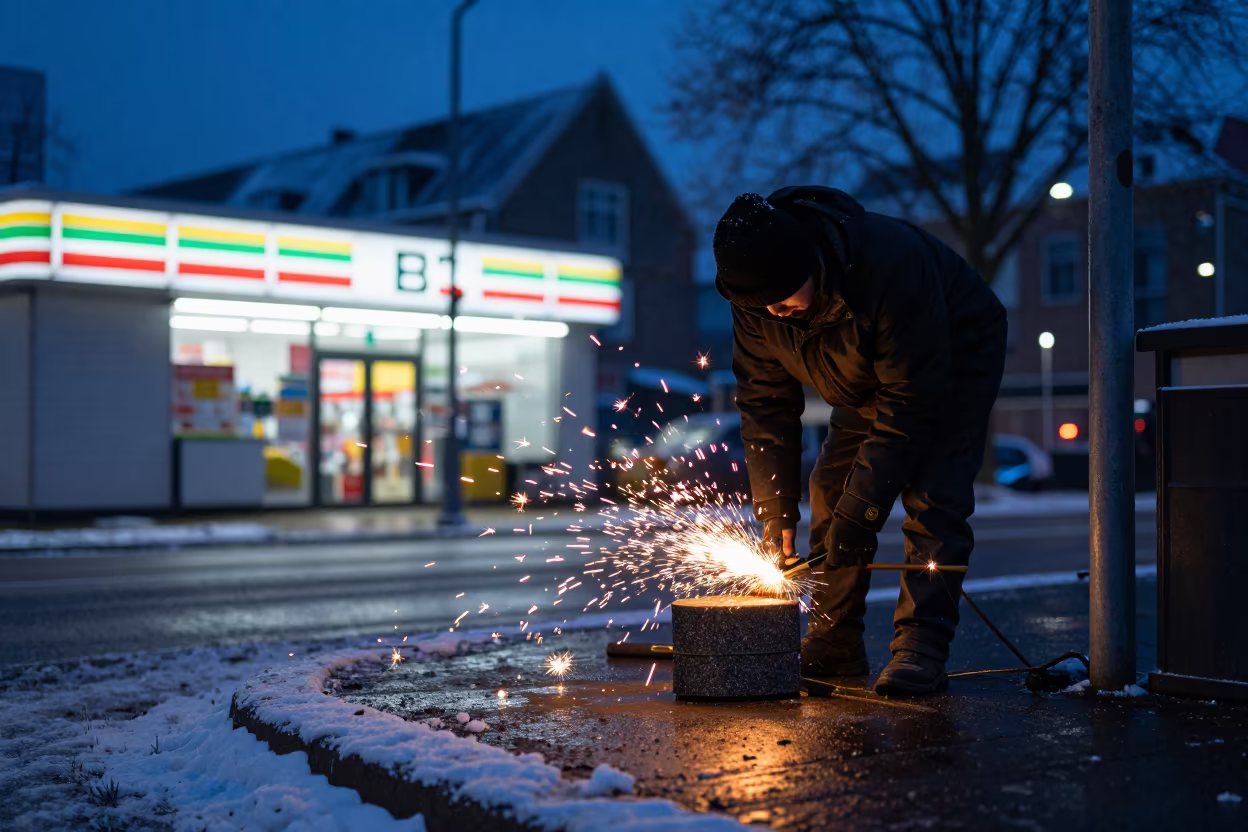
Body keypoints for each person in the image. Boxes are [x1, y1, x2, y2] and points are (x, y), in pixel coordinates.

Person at [714, 186, 1007, 696]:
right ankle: (835, 640)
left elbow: (911, 402)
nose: (775, 312)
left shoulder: (890, 267)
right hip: (864, 378)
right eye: (762, 306)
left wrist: (863, 512)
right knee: (832, 491)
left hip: (948, 363)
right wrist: (776, 511)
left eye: (783, 298)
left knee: (934, 496)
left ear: (810, 265)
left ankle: (921, 647)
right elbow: (764, 406)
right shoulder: (756, 303)